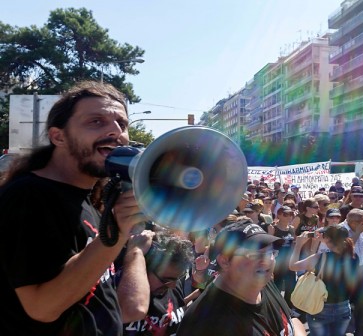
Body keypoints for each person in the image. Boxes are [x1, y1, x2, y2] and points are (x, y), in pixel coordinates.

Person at [0, 81, 149, 335]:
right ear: (58, 136)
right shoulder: (30, 197)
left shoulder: (88, 195)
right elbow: (42, 307)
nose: (117, 132)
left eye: (121, 124)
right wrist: (116, 235)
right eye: (96, 121)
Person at [178, 219, 306, 335]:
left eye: (270, 253)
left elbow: (292, 320)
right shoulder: (206, 323)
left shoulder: (262, 284)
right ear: (225, 261)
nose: (267, 261)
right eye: (254, 255)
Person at [289, 225, 358, 336]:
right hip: (344, 307)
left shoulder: (321, 257)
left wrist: (298, 245)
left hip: (320, 307)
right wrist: (324, 241)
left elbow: (292, 266)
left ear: (328, 239)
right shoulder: (353, 256)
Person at [123, 231, 194, 335]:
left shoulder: (174, 284)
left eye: (178, 278)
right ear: (144, 267)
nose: (173, 285)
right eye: (166, 280)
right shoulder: (122, 296)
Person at [342, 208, 363, 336]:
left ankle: (362, 332)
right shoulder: (340, 230)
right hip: (346, 273)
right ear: (357, 223)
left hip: (361, 271)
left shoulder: (360, 230)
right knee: (344, 304)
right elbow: (346, 250)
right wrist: (358, 232)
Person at [268, 206, 297, 310]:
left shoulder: (292, 229)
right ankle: (275, 308)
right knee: (277, 286)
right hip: (278, 262)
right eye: (286, 214)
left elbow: (293, 243)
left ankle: (289, 308)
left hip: (289, 261)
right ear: (279, 215)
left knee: (291, 285)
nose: (289, 217)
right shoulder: (273, 228)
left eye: (291, 214)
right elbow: (268, 244)